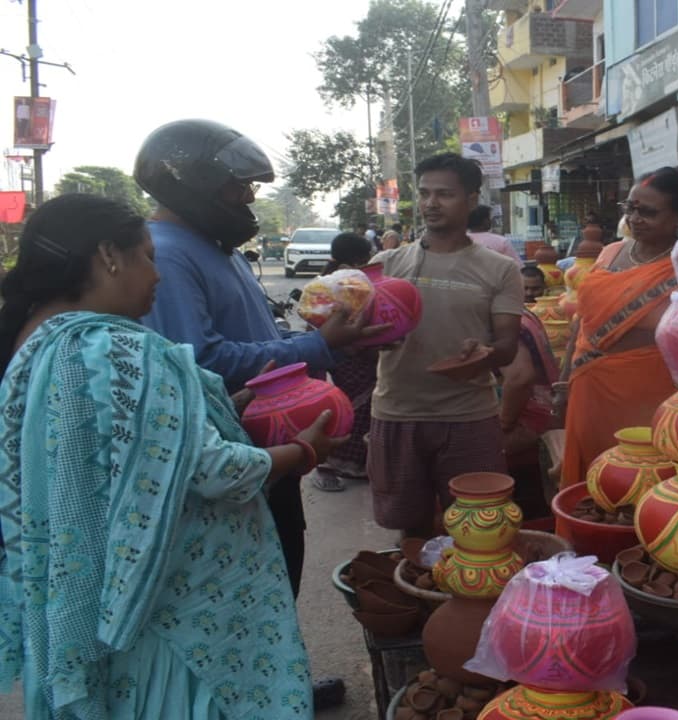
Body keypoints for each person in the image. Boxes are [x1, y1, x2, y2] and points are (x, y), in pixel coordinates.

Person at [0, 194, 346, 719]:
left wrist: (218, 408)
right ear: (108, 256)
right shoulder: (124, 347)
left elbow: (128, 446)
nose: (157, 277)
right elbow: (213, 471)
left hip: (94, 596)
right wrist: (301, 451)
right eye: (146, 256)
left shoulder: (36, 343)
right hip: (170, 607)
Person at [134, 119, 381, 708]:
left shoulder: (217, 250)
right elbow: (199, 359)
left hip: (264, 447)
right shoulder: (167, 254)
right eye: (236, 187)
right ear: (192, 184)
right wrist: (317, 347)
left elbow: (246, 334)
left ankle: (280, 681)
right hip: (230, 454)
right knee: (235, 584)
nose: (249, 198)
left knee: (275, 568)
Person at [368, 154, 524, 538]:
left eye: (445, 194)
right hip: (397, 412)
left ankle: (468, 597)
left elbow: (507, 345)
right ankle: (418, 598)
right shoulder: (386, 265)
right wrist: (372, 338)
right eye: (424, 193)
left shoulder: (500, 269)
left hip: (469, 416)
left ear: (471, 199)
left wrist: (487, 354)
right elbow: (356, 338)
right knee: (410, 530)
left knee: (478, 530)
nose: (431, 203)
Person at [555, 167, 678, 495]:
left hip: (649, 394)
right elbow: (582, 322)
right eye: (630, 209)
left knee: (644, 482)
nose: (635, 219)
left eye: (648, 212)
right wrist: (564, 378)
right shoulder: (609, 253)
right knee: (589, 483)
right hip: (589, 387)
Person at [312, 233, 378, 492]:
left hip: (335, 348)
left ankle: (347, 462)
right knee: (356, 406)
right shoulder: (350, 280)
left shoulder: (326, 277)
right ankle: (329, 464)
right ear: (360, 257)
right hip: (350, 348)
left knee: (353, 404)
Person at [501, 269, 563, 517]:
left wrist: (503, 423)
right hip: (544, 410)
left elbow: (519, 378)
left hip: (527, 417)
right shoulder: (525, 313)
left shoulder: (504, 321)